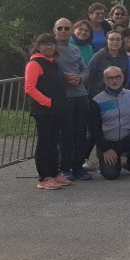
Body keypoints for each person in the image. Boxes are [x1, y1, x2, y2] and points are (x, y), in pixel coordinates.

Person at [24, 34, 72, 189]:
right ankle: (44, 177)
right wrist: (48, 102)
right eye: (45, 43)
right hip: (43, 110)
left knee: (53, 142)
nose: (49, 46)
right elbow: (29, 88)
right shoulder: (34, 63)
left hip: (57, 110)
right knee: (45, 142)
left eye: (52, 43)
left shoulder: (53, 63)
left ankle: (54, 173)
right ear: (38, 46)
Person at [90, 66, 130, 178]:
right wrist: (106, 149)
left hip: (126, 138)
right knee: (111, 175)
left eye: (118, 77)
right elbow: (94, 128)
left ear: (123, 78)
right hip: (108, 142)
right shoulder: (97, 100)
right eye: (110, 78)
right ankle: (103, 161)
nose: (114, 80)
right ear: (104, 80)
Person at [53, 18, 92, 180]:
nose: (63, 31)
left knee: (80, 133)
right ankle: (64, 167)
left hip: (81, 95)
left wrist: (80, 78)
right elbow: (49, 71)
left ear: (71, 31)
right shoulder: (51, 49)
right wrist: (65, 77)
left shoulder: (75, 49)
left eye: (66, 28)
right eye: (60, 28)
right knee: (66, 134)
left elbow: (86, 70)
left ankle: (78, 167)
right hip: (64, 96)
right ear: (54, 30)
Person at [85, 30, 127, 97]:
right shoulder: (98, 56)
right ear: (107, 41)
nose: (115, 42)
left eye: (118, 39)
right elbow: (88, 76)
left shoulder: (124, 55)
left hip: (117, 94)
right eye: (111, 39)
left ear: (122, 41)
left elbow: (125, 76)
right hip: (98, 95)